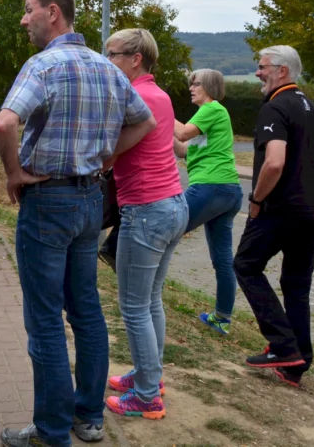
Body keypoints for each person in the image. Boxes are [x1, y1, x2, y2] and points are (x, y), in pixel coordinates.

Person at [0, 0, 155, 447]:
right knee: (86, 309)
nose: (24, 20)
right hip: (90, 203)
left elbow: (5, 122)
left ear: (52, 13)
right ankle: (89, 419)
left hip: (48, 203)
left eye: (28, 11)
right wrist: (105, 157)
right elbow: (144, 122)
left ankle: (51, 432)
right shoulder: (108, 67)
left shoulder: (43, 65)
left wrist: (14, 174)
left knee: (45, 318)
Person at [234, 45, 314, 388]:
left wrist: (256, 199)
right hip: (313, 214)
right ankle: (297, 362)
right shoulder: (311, 109)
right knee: (296, 286)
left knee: (246, 266)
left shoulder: (276, 106)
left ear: (281, 71)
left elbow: (275, 162)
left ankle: (282, 345)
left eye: (262, 66)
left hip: (279, 211)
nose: (257, 72)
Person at [104, 28, 188, 422]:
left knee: (134, 306)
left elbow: (108, 146)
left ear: (136, 58)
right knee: (150, 300)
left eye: (113, 54)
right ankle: (148, 375)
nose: (108, 62)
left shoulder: (135, 96)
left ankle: (147, 396)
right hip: (172, 205)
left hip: (145, 210)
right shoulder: (161, 94)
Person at [172, 68, 243, 335]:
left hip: (211, 187)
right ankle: (221, 318)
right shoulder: (209, 117)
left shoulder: (212, 109)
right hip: (228, 191)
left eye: (196, 84)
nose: (191, 88)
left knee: (165, 228)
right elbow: (182, 148)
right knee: (222, 260)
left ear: (210, 87)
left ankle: (140, 296)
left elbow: (182, 133)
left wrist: (159, 108)